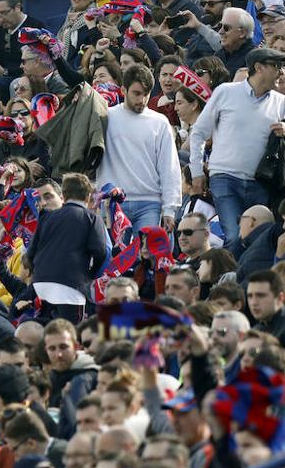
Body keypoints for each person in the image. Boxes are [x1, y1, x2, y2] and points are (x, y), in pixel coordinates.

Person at [189, 48, 285, 245]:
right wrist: (196, 172)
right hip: (225, 178)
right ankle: (229, 276)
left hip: (261, 182)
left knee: (256, 240)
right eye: (276, 66)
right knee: (234, 237)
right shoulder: (226, 92)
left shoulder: (283, 102)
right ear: (259, 68)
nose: (281, 72)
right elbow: (199, 133)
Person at [96, 64, 181, 232]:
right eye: (136, 93)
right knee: (116, 257)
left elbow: (169, 167)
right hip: (112, 201)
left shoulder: (160, 122)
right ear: (123, 90)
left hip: (150, 203)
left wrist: (170, 209)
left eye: (146, 94)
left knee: (147, 257)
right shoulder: (105, 117)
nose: (142, 100)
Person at [27, 174, 110, 322]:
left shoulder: (46, 216)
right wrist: (90, 275)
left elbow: (30, 253)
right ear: (89, 196)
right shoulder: (91, 218)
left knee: (46, 331)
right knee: (70, 333)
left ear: (64, 195)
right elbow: (100, 252)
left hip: (40, 284)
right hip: (70, 286)